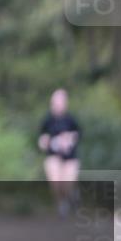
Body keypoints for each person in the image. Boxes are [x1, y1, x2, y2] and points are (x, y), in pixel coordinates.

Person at [37, 88, 82, 217]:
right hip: (53, 156)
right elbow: (41, 139)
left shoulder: (71, 119)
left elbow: (78, 134)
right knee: (56, 182)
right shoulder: (47, 119)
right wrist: (44, 142)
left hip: (70, 157)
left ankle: (71, 195)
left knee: (67, 183)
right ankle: (62, 203)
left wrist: (69, 138)